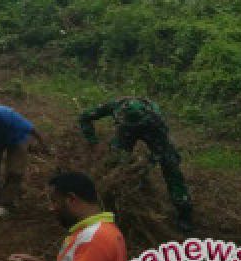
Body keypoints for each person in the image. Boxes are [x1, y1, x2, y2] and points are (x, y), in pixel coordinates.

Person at [78, 97, 193, 233]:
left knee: (171, 167)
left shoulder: (155, 118)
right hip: (125, 132)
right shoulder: (115, 106)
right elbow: (84, 117)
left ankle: (184, 210)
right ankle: (105, 203)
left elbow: (164, 150)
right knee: (114, 164)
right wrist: (93, 141)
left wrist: (147, 164)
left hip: (151, 130)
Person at [0, 105, 50, 218]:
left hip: (17, 138)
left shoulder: (7, 116)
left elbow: (32, 129)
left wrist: (43, 144)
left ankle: (7, 203)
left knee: (15, 171)